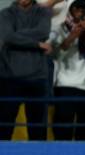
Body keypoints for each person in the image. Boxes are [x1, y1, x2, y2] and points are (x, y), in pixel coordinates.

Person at [50, 0, 85, 140]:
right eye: (76, 8)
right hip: (65, 85)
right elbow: (54, 55)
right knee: (62, 132)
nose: (79, 12)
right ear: (69, 9)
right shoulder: (59, 27)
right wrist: (71, 37)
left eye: (84, 9)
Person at [0, 0, 52, 141]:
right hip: (9, 78)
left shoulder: (44, 11)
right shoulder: (5, 13)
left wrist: (16, 35)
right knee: (4, 129)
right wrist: (37, 44)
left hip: (37, 79)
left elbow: (43, 31)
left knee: (38, 131)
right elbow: (8, 37)